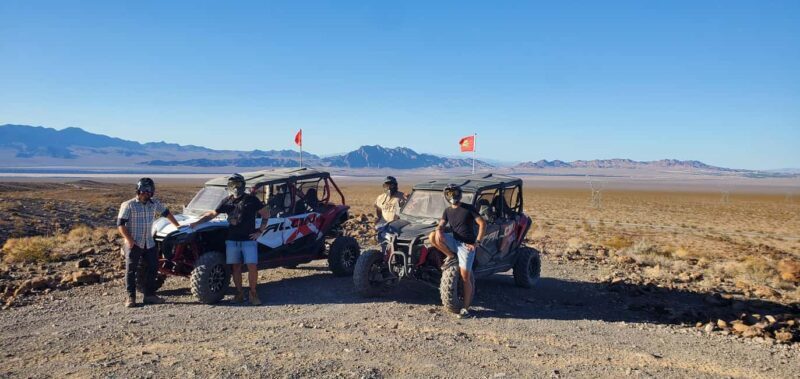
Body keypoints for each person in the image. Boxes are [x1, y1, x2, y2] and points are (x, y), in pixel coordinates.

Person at [190, 174, 269, 305]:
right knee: (236, 267)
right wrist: (197, 223)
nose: (236, 188)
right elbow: (213, 214)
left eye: (238, 184)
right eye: (233, 185)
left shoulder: (251, 200)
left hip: (248, 240)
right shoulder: (227, 201)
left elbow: (265, 213)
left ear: (243, 185)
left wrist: (260, 231)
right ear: (229, 187)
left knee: (252, 266)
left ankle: (253, 293)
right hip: (232, 240)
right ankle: (239, 293)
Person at [117, 178, 181, 308]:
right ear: (139, 190)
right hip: (134, 243)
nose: (147, 193)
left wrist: (177, 226)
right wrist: (129, 240)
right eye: (145, 191)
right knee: (131, 270)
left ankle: (149, 295)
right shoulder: (129, 205)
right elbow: (120, 225)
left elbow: (166, 213)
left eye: (150, 191)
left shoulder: (154, 203)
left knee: (153, 268)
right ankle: (131, 297)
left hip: (149, 242)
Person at [428, 184, 486, 318]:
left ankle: (465, 308)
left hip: (467, 246)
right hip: (454, 241)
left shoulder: (468, 208)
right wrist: (439, 231)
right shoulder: (447, 211)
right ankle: (450, 256)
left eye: (454, 193)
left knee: (465, 277)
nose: (452, 196)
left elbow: (482, 224)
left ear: (459, 194)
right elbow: (441, 224)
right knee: (432, 236)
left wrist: (477, 243)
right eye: (449, 194)